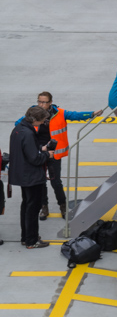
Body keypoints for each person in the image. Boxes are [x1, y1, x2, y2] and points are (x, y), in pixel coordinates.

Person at [17, 93, 100, 220]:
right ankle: (44, 207)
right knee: (41, 181)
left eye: (44, 102)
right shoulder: (33, 113)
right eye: (39, 101)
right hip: (38, 152)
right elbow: (19, 124)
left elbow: (75, 115)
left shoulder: (59, 113)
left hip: (54, 154)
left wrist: (92, 113)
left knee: (56, 182)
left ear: (51, 102)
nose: (41, 105)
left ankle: (63, 206)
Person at [8, 106, 54, 249]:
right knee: (33, 208)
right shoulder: (28, 133)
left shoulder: (18, 129)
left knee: (26, 206)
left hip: (23, 174)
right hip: (31, 176)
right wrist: (47, 155)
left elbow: (25, 150)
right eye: (42, 120)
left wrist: (41, 148)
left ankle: (26, 237)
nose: (43, 123)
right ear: (35, 119)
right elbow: (34, 159)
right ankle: (32, 240)